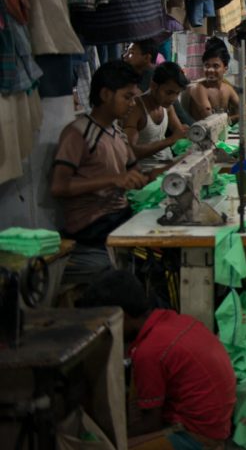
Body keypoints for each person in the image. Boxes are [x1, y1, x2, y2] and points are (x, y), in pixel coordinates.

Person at [76, 270, 236, 450]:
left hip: (199, 435)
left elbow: (151, 422)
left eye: (107, 324)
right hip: (218, 423)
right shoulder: (173, 319)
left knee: (109, 447)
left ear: (123, 317)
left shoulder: (149, 351)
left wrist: (109, 436)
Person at [51, 61, 148, 277]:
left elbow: (139, 176)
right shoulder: (78, 133)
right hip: (93, 227)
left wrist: (179, 166)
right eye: (127, 97)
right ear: (105, 94)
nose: (132, 104)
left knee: (161, 255)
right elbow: (58, 186)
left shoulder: (117, 133)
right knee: (145, 265)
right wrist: (112, 180)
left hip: (118, 218)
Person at [123, 62, 190, 163]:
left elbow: (179, 132)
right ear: (153, 86)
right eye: (169, 92)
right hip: (145, 172)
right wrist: (170, 140)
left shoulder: (167, 106)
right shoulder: (136, 109)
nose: (173, 98)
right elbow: (131, 152)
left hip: (166, 164)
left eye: (177, 93)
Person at [187, 38, 239, 122]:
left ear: (225, 68)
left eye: (215, 66)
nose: (210, 70)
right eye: (207, 65)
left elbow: (245, 108)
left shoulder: (227, 88)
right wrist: (239, 117)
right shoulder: (199, 89)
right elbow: (211, 121)